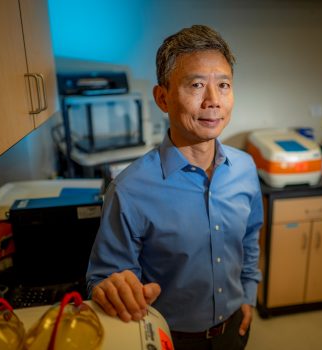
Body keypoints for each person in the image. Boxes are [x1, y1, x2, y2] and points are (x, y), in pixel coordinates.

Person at [86, 24, 263, 350]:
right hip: (169, 337)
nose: (213, 101)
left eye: (223, 85)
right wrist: (113, 288)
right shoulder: (129, 190)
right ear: (162, 97)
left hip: (235, 327)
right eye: (196, 85)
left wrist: (248, 296)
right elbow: (105, 277)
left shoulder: (246, 169)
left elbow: (250, 240)